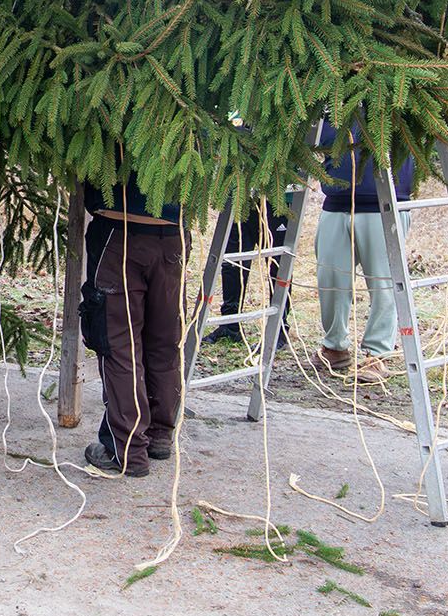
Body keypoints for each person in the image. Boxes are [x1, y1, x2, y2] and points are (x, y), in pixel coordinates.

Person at [80, 173, 189, 478]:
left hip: (120, 230)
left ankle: (126, 449)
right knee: (164, 340)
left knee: (118, 343)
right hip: (172, 235)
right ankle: (159, 434)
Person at [314, 120, 416, 383]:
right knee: (330, 279)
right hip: (336, 200)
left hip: (385, 202)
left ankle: (377, 355)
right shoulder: (329, 91)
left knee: (384, 284)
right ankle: (334, 347)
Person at [202, 201, 291, 349]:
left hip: (278, 199)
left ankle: (278, 332)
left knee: (279, 265)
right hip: (241, 196)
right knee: (232, 262)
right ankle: (230, 325)